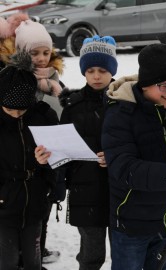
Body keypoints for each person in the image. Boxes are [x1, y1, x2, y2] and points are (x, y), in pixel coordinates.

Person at [101, 43, 166, 270]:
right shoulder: (121, 112)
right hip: (132, 224)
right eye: (164, 86)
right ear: (145, 85)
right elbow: (123, 166)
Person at [55, 35, 116, 269]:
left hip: (119, 188)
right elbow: (62, 149)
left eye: (102, 69)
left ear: (112, 69)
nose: (97, 76)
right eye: (90, 70)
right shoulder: (73, 106)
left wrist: (115, 156)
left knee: (124, 253)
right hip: (85, 189)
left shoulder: (124, 101)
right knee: (91, 255)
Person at [0, 51, 58, 270]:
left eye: (21, 110)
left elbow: (59, 160)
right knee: (8, 260)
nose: (15, 114)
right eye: (9, 109)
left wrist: (44, 165)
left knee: (34, 259)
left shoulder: (43, 117)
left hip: (34, 201)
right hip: (4, 205)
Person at [14, 19, 64, 266]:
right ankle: (19, 253)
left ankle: (38, 248)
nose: (42, 58)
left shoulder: (54, 79)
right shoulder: (15, 80)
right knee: (22, 210)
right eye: (34, 53)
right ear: (22, 52)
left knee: (43, 206)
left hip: (50, 152)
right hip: (23, 153)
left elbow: (63, 109)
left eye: (46, 52)